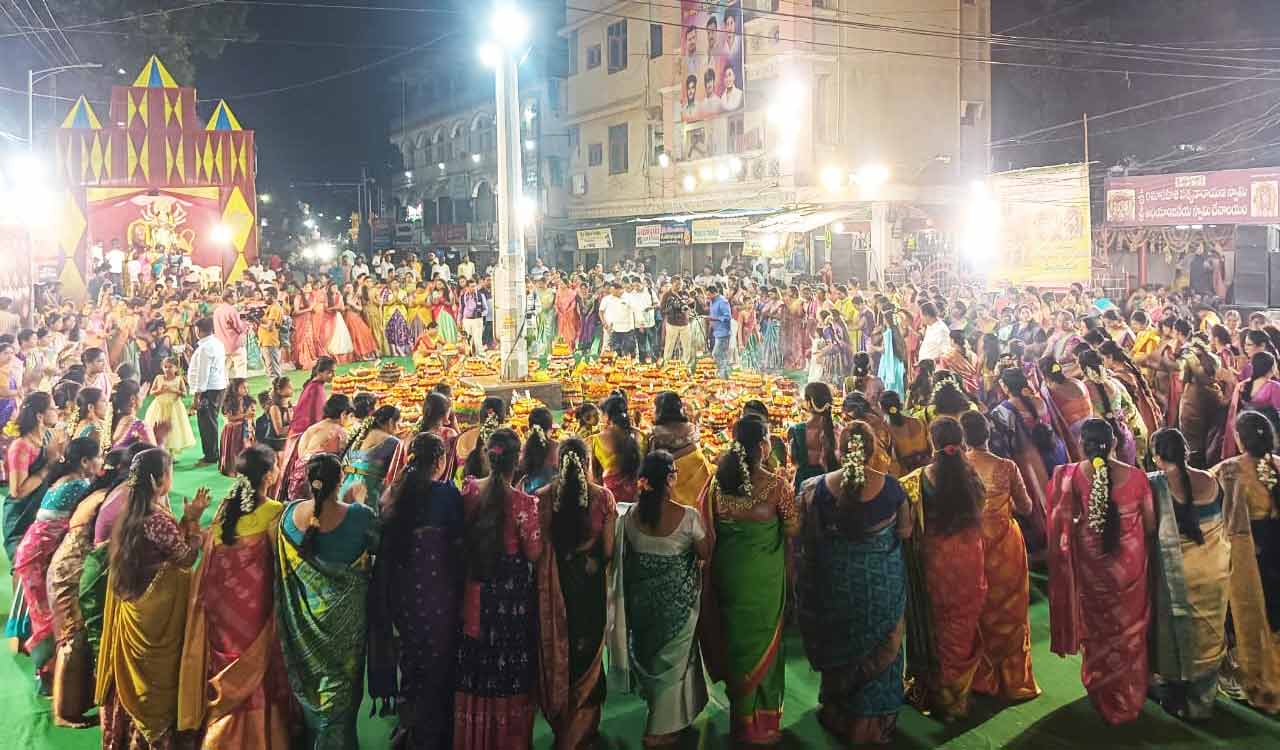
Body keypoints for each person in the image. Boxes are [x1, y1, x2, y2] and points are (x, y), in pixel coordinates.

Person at [796, 420, 910, 744]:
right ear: (873, 452)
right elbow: (905, 532)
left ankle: (839, 712)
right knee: (883, 649)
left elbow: (804, 538)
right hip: (882, 591)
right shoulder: (892, 488)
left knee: (840, 645)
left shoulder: (814, 488)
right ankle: (872, 724)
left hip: (835, 589)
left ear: (839, 450)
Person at [177, 444, 293, 748]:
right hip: (255, 611)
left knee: (226, 666)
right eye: (276, 466)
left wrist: (192, 521)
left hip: (221, 610)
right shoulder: (275, 512)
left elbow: (208, 550)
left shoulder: (226, 510)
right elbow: (285, 563)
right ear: (268, 476)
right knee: (256, 672)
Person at [95, 448, 211, 749]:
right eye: (169, 473)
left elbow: (162, 549)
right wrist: (195, 526)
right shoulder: (156, 518)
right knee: (157, 682)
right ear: (157, 480)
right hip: (156, 615)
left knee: (135, 680)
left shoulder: (133, 512)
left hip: (134, 608)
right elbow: (185, 559)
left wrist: (185, 520)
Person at [1045, 418, 1153, 725]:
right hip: (1130, 568)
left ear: (1082, 445)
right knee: (1129, 631)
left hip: (1091, 568)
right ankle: (1128, 696)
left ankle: (1102, 689)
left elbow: (1061, 521)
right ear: (1115, 443)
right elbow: (1150, 525)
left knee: (1097, 628)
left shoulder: (1070, 475)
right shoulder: (1137, 477)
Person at [701, 416, 798, 744]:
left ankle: (741, 719)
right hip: (763, 581)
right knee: (765, 643)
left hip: (729, 576)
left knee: (736, 642)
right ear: (762, 446)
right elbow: (793, 528)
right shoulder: (777, 486)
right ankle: (763, 726)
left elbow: (706, 528)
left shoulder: (717, 483)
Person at [368, 432, 465, 749]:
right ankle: (432, 734)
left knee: (412, 658)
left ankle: (411, 726)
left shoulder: (393, 494)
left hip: (404, 597)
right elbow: (459, 545)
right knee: (440, 662)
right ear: (439, 461)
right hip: (439, 595)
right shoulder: (446, 494)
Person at [609, 450, 710, 746]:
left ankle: (670, 716)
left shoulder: (629, 517)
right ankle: (659, 730)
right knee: (673, 667)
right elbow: (705, 552)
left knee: (651, 659)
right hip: (678, 606)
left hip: (641, 607)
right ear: (668, 479)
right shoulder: (687, 517)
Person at [454, 428, 543, 749]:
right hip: (510, 602)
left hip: (473, 594)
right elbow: (534, 553)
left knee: (475, 665)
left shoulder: (468, 492)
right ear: (516, 460)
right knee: (508, 667)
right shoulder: (523, 503)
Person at [900, 417, 988, 720]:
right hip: (969, 559)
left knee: (937, 623)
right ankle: (958, 693)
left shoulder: (916, 481)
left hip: (935, 561)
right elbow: (982, 509)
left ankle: (938, 689)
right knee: (964, 620)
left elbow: (907, 527)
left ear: (931, 441)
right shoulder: (972, 476)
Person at [534, 437, 617, 750]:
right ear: (587, 463)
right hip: (589, 589)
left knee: (561, 654)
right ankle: (581, 732)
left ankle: (563, 729)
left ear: (559, 463)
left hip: (555, 589)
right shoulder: (603, 498)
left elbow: (538, 548)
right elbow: (607, 550)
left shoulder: (542, 497)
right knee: (588, 656)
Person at [1144, 428, 1229, 721]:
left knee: (1176, 631)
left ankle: (1176, 691)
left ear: (1157, 456)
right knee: (1209, 633)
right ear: (1186, 452)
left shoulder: (1154, 484)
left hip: (1178, 575)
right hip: (1215, 569)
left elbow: (1148, 528)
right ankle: (1202, 699)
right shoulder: (1211, 479)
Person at [959, 412, 1040, 702]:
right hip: (1005, 546)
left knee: (976, 608)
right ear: (988, 434)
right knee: (1010, 610)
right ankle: (1013, 680)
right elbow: (1027, 507)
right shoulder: (1006, 467)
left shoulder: (958, 467)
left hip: (970, 546)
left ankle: (980, 678)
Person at [45, 447, 127, 726]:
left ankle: (75, 701)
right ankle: (63, 713)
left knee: (75, 640)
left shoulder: (100, 492)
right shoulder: (107, 498)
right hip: (69, 574)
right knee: (71, 641)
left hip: (68, 569)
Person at [12, 436, 99, 693]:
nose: (101, 462)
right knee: (47, 617)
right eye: (97, 457)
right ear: (85, 461)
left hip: (33, 553)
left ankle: (49, 674)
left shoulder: (64, 480)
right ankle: (46, 678)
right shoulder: (78, 486)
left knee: (46, 613)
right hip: (36, 558)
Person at [1213, 410, 1280, 714]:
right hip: (1274, 552)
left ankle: (1253, 675)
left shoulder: (1229, 470)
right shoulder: (1276, 465)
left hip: (1250, 557)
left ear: (1240, 439)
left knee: (1246, 613)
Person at [4, 392, 63, 650]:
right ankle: (18, 631)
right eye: (52, 408)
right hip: (21, 514)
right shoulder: (20, 446)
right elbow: (17, 490)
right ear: (40, 415)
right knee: (21, 566)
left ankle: (34, 626)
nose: (56, 410)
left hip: (42, 512)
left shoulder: (48, 438)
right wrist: (47, 466)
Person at [272, 356, 336, 498]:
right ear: (320, 372)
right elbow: (318, 419)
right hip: (301, 436)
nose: (333, 375)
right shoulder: (316, 389)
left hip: (298, 434)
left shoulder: (313, 385)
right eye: (330, 372)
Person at [645, 391, 712, 508]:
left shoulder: (654, 434)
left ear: (660, 410)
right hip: (697, 488)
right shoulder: (692, 429)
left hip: (671, 490)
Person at [338, 404, 402, 513]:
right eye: (398, 424)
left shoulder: (361, 435)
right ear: (391, 422)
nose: (399, 428)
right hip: (368, 491)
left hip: (346, 488)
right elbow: (396, 472)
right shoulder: (392, 442)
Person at [188, 317, 228, 467]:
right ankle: (212, 453)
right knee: (211, 421)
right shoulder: (217, 343)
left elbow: (202, 375)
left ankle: (211, 456)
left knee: (207, 423)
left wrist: (197, 396)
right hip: (218, 386)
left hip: (209, 389)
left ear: (198, 330)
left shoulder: (205, 348)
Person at [591, 393, 644, 503]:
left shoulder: (598, 439)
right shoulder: (641, 436)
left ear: (607, 416)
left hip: (611, 499)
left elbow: (596, 477)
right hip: (637, 499)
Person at [790, 382, 840, 490]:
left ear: (809, 403)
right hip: (828, 484)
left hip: (804, 484)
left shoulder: (797, 430)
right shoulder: (837, 430)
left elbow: (794, 461)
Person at [143, 356, 196, 455]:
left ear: (176, 368)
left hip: (174, 407)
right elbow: (151, 392)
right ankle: (160, 449)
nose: (167, 369)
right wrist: (160, 390)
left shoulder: (179, 379)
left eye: (170, 367)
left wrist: (174, 390)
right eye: (165, 367)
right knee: (159, 427)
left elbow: (184, 394)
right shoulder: (159, 378)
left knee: (173, 428)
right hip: (159, 406)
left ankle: (171, 452)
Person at [880, 391, 929, 475]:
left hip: (907, 477)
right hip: (926, 472)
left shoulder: (886, 431)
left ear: (882, 410)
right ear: (900, 405)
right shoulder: (919, 422)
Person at [217, 378, 254, 476]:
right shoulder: (229, 402)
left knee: (246, 448)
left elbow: (251, 413)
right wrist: (245, 415)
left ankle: (247, 467)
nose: (246, 390)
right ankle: (234, 469)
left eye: (247, 387)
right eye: (243, 388)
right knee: (235, 450)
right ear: (234, 389)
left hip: (246, 428)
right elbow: (230, 418)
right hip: (233, 430)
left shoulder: (247, 400)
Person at [707, 285, 733, 378]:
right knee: (721, 355)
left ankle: (723, 375)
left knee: (717, 354)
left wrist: (714, 318)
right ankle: (724, 375)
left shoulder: (723, 302)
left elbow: (728, 317)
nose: (707, 297)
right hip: (716, 332)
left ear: (714, 293)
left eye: (709, 295)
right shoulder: (712, 301)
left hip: (723, 332)